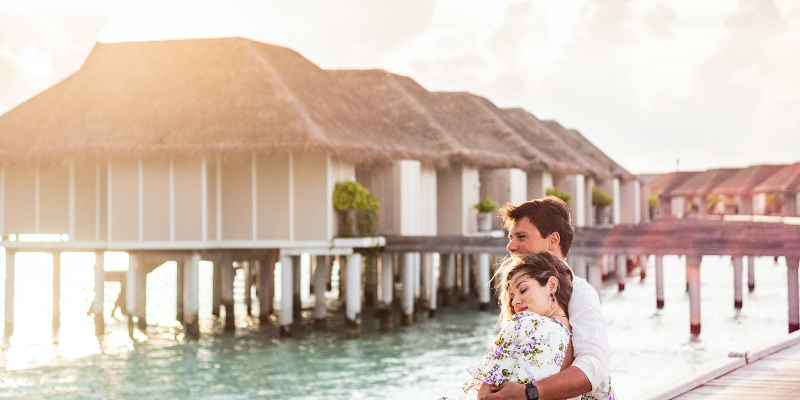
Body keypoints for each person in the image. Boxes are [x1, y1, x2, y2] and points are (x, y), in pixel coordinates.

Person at [483, 196, 615, 400]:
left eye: (521, 236)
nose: (510, 246)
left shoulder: (579, 291)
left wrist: (529, 392)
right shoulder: (519, 293)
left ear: (553, 240)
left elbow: (594, 367)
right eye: (511, 237)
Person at [455, 252, 577, 399]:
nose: (514, 302)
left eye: (523, 290)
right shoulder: (580, 343)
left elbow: (484, 395)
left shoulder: (526, 323)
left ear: (552, 285)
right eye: (512, 297)